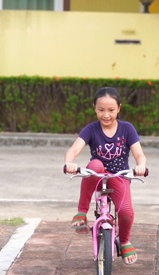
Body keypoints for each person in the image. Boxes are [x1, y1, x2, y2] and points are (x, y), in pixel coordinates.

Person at [64, 87, 147, 265]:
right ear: (95, 108)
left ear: (119, 109)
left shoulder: (127, 129)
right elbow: (74, 148)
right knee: (94, 165)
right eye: (101, 110)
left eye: (111, 110)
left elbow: (139, 154)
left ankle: (124, 241)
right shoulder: (91, 129)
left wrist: (141, 166)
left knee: (126, 212)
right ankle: (82, 211)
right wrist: (70, 162)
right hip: (97, 175)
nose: (106, 115)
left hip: (120, 176)